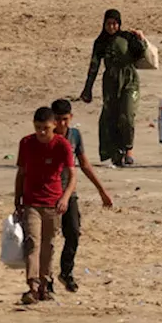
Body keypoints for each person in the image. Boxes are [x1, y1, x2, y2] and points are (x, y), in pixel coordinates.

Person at [49, 99, 112, 295]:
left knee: (74, 233)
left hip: (70, 192)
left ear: (71, 118)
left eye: (65, 120)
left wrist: (102, 191)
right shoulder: (46, 138)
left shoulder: (74, 136)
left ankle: (66, 272)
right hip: (49, 194)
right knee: (48, 239)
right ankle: (47, 279)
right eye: (58, 120)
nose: (61, 125)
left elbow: (84, 164)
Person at [15, 107, 76, 305]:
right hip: (32, 201)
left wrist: (65, 198)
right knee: (32, 242)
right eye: (38, 128)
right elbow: (21, 172)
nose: (41, 132)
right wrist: (18, 200)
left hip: (53, 203)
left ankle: (45, 284)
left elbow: (72, 175)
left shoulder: (62, 145)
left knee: (48, 245)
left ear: (54, 126)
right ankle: (31, 286)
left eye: (45, 128)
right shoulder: (26, 143)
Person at [80, 9, 146, 166]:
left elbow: (141, 53)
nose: (111, 27)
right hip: (110, 82)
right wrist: (87, 89)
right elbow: (94, 66)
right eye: (108, 23)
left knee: (127, 115)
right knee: (111, 117)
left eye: (114, 23)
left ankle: (129, 149)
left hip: (130, 80)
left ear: (119, 24)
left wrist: (140, 38)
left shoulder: (127, 37)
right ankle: (117, 152)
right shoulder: (100, 42)